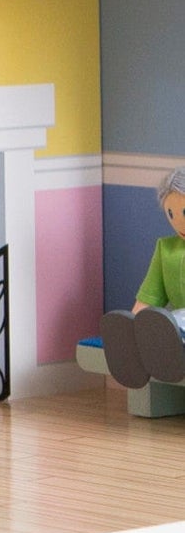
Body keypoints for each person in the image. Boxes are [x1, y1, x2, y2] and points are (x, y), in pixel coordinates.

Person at [101, 167, 185, 389]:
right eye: (171, 214)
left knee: (172, 321)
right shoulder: (166, 248)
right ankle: (134, 342)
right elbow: (150, 293)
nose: (178, 222)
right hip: (172, 318)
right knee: (160, 320)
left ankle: (163, 345)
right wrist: (135, 319)